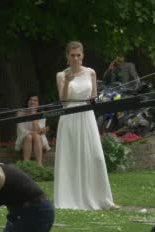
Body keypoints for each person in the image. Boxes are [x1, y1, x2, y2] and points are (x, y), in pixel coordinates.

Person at [54, 41, 117, 210]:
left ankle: (102, 199)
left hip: (87, 116)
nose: (75, 58)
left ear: (82, 56)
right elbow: (64, 102)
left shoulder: (91, 72)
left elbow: (94, 97)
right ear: (67, 56)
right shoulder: (61, 75)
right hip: (69, 116)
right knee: (71, 157)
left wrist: (95, 101)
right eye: (72, 55)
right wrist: (67, 82)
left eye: (78, 55)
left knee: (95, 155)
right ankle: (69, 199)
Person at [14, 95, 50, 166]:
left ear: (38, 103)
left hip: (39, 139)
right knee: (29, 137)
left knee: (36, 136)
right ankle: (26, 163)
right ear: (27, 102)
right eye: (30, 100)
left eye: (35, 100)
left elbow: (39, 131)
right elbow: (21, 129)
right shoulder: (20, 112)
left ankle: (39, 164)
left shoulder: (42, 114)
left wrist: (33, 114)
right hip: (23, 138)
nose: (32, 102)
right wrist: (33, 133)